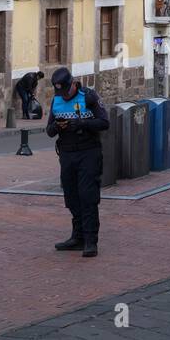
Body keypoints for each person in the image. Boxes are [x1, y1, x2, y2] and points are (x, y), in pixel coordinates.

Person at [46, 67, 110, 258]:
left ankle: (91, 240)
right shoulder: (56, 100)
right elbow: (49, 130)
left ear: (73, 84)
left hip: (88, 152)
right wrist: (57, 126)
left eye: (66, 91)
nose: (64, 95)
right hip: (67, 153)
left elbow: (104, 122)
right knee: (71, 195)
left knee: (87, 195)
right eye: (60, 92)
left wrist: (82, 124)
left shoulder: (88, 97)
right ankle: (77, 236)